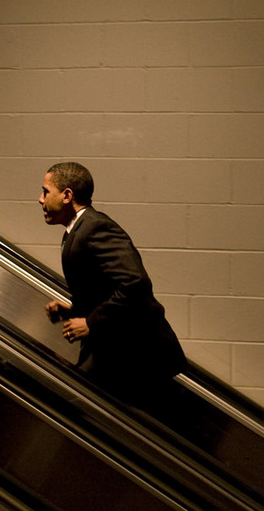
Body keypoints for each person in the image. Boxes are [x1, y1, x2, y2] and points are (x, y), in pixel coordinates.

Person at [38, 161, 186, 402]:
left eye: (46, 191)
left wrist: (92, 323)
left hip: (137, 358)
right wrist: (75, 311)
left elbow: (135, 284)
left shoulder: (95, 226)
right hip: (121, 357)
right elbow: (108, 291)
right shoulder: (77, 231)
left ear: (67, 195)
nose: (40, 199)